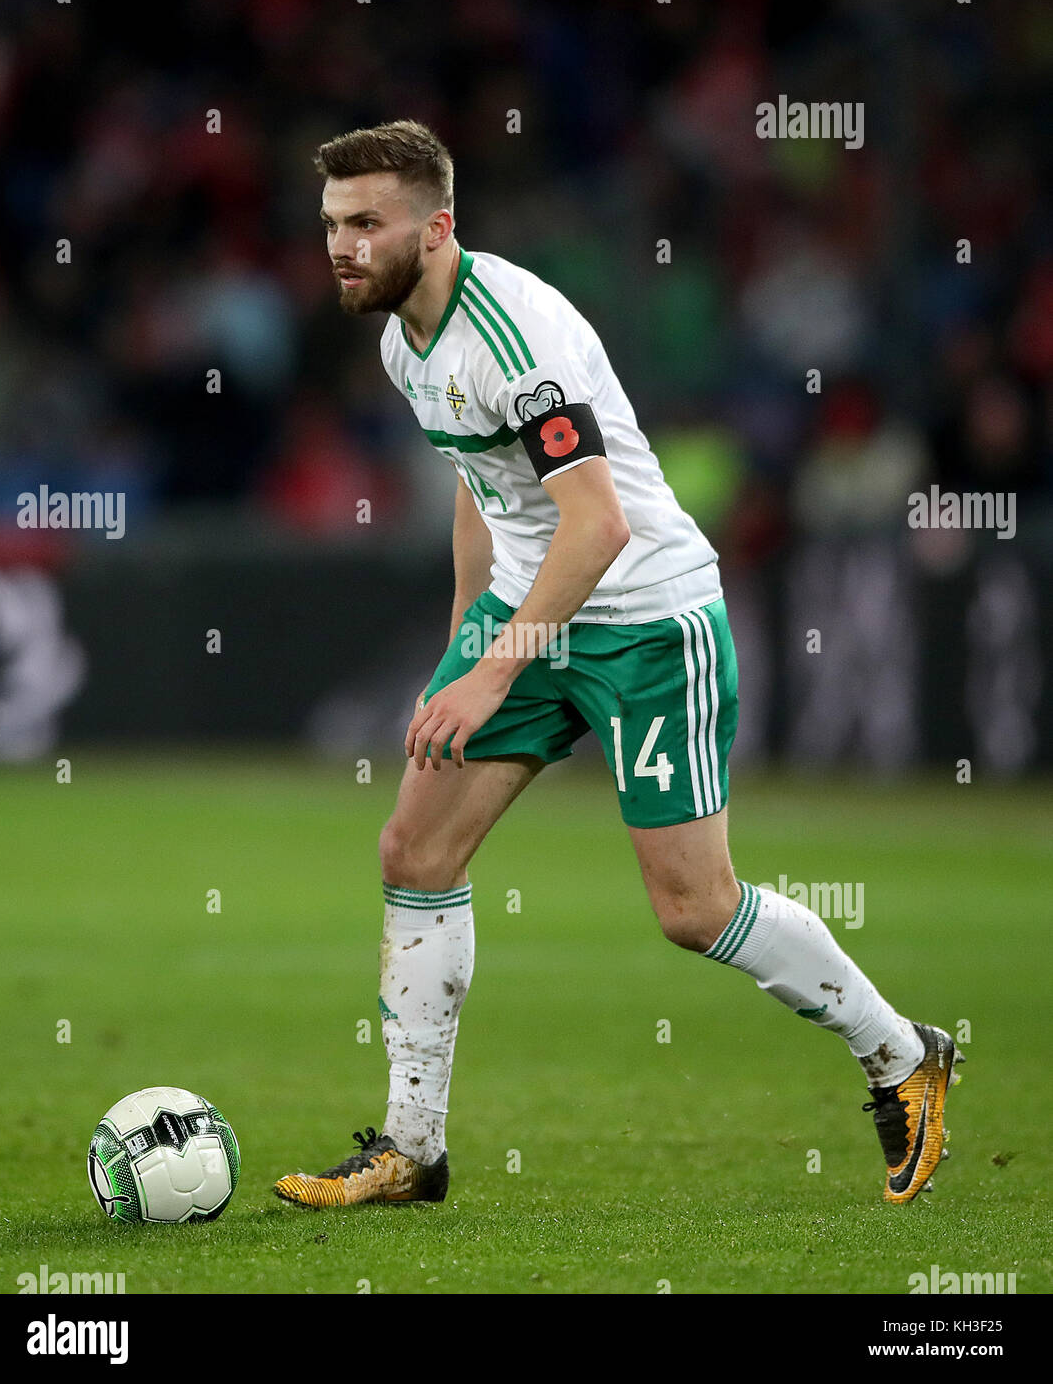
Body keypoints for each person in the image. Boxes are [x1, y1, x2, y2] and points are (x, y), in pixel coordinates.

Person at [274, 120, 961, 1211]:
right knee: (411, 849)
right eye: (330, 225)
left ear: (436, 227)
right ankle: (412, 1149)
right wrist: (462, 646)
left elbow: (592, 528)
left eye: (366, 223)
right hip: (525, 611)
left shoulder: (514, 335)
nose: (341, 247)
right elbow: (479, 482)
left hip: (644, 618)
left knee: (692, 908)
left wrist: (490, 672)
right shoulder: (403, 342)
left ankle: (900, 1053)